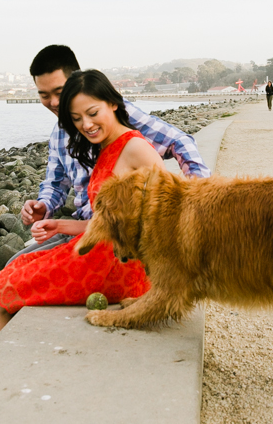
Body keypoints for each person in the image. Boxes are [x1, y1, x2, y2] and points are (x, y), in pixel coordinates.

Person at [0, 70, 164, 345]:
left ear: (113, 103)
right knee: (5, 273)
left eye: (92, 113)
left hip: (117, 267)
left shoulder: (135, 148)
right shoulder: (108, 146)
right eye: (77, 119)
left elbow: (165, 217)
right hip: (101, 253)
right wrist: (60, 224)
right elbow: (114, 224)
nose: (86, 125)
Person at [16, 45, 209, 262]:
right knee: (11, 266)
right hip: (81, 227)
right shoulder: (60, 133)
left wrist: (198, 204)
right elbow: (55, 183)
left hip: (114, 240)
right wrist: (44, 206)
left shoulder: (110, 114)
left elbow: (179, 142)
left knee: (11, 282)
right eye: (44, 95)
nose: (53, 102)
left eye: (59, 93)